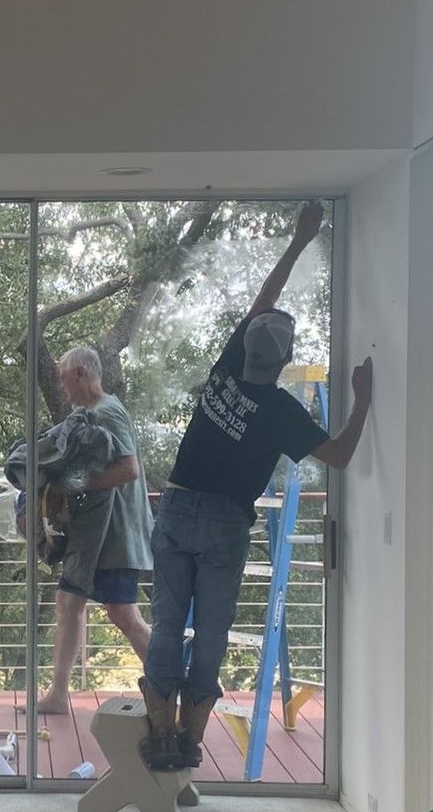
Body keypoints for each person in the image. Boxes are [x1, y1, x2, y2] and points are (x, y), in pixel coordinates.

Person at [139, 201, 372, 771]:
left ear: (246, 346)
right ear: (286, 359)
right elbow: (339, 455)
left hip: (175, 506)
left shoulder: (224, 368)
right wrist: (364, 399)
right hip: (224, 522)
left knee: (169, 622)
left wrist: (298, 240)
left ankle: (159, 729)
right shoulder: (281, 412)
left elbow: (262, 303)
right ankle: (191, 736)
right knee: (212, 628)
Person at [37, 344, 155, 715]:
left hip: (116, 534)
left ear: (80, 375)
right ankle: (58, 695)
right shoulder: (87, 414)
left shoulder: (108, 412)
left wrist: (76, 486)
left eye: (62, 378)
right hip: (92, 536)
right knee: (68, 602)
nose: (60, 386)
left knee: (124, 615)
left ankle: (171, 687)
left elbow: (129, 470)